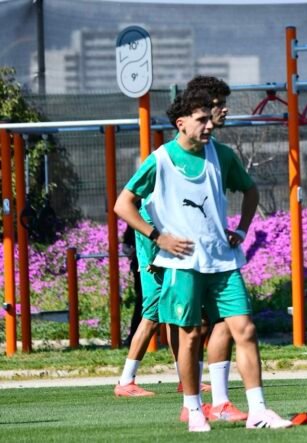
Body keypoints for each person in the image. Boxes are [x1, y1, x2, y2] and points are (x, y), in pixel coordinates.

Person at [114, 89, 292, 432]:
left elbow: (250, 190)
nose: (209, 125)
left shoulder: (222, 155)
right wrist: (158, 237)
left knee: (246, 329)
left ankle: (258, 411)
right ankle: (194, 410)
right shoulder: (160, 160)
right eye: (201, 120)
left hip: (223, 262)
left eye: (210, 119)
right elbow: (123, 204)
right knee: (191, 336)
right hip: (182, 264)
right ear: (181, 123)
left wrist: (242, 229)